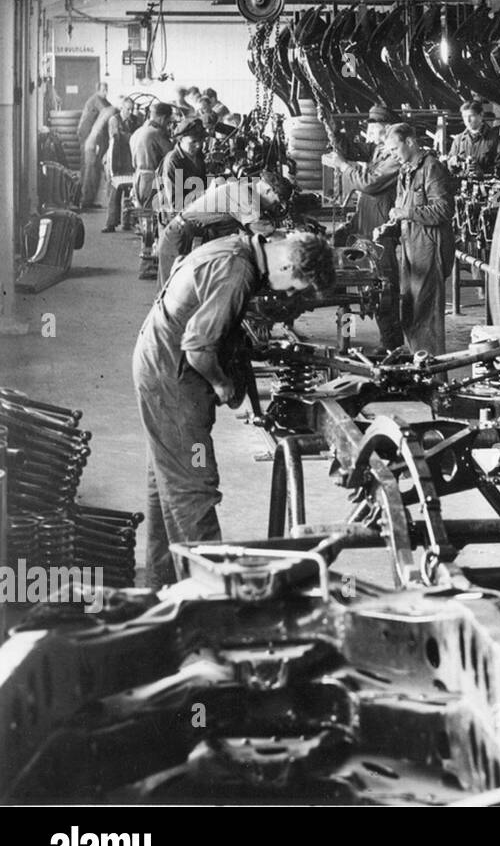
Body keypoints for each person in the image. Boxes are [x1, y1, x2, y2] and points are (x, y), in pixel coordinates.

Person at [133, 230, 334, 589]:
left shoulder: (238, 246)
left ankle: (161, 586)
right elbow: (197, 348)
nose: (287, 294)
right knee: (193, 485)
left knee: (166, 478)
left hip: (158, 363)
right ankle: (213, 599)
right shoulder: (237, 271)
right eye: (293, 286)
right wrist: (223, 384)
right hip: (174, 379)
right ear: (286, 262)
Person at [322, 104, 403, 350]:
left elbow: (370, 183)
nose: (368, 129)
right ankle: (347, 336)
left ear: (387, 128)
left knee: (383, 286)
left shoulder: (392, 157)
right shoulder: (378, 149)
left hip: (381, 230)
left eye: (373, 125)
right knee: (350, 278)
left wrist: (344, 166)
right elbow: (348, 149)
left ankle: (392, 346)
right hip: (364, 223)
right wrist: (331, 127)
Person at [383, 122, 456, 356]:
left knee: (427, 320)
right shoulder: (405, 170)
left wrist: (406, 213)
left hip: (429, 248)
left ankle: (434, 380)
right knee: (410, 314)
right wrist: (389, 226)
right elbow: (403, 209)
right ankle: (419, 370)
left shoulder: (432, 168)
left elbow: (444, 210)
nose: (392, 155)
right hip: (409, 248)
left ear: (410, 142)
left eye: (395, 149)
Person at [157, 170, 291, 286]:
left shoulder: (244, 190)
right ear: (268, 190)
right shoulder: (244, 196)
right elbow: (262, 231)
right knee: (171, 294)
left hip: (189, 236)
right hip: (179, 238)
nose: (273, 208)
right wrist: (291, 239)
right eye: (275, 202)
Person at [107, 102, 171, 233]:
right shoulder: (156, 133)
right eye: (168, 121)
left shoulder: (137, 132)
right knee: (155, 218)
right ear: (163, 118)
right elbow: (171, 155)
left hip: (138, 178)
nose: (167, 125)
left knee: (146, 217)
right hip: (152, 179)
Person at [158, 118, 209, 214]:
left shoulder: (199, 156)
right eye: (193, 142)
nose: (199, 145)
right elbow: (176, 204)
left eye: (201, 140)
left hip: (197, 211)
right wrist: (207, 193)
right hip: (177, 219)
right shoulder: (173, 162)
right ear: (181, 139)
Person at [448, 99, 500, 178]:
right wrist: (452, 163)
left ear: (481, 115)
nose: (468, 120)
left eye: (471, 116)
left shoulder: (495, 139)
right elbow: (451, 170)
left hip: (486, 187)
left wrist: (483, 171)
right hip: (463, 186)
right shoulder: (458, 140)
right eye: (465, 116)